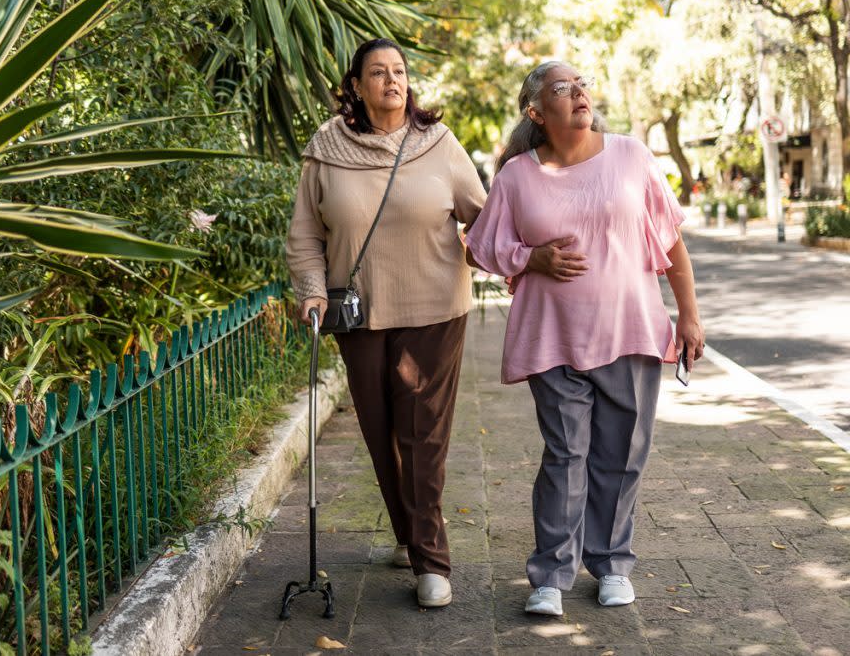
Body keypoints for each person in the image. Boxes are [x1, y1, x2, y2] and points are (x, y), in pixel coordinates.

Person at [464, 61, 705, 616]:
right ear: (536, 111)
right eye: (562, 88)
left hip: (630, 329)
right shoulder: (517, 177)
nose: (578, 94)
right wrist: (533, 258)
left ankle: (612, 563)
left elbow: (670, 243)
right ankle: (551, 574)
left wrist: (688, 315)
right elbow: (482, 247)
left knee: (621, 457)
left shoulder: (631, 156)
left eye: (582, 85)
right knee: (565, 454)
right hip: (553, 336)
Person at [285, 38, 486, 608]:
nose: (392, 80)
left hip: (435, 309)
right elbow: (305, 235)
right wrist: (312, 293)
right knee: (381, 433)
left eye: (399, 71)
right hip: (360, 313)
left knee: (423, 434)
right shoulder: (326, 148)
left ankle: (431, 560)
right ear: (356, 85)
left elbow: (484, 214)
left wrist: (517, 258)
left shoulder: (438, 144)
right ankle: (408, 534)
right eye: (378, 72)